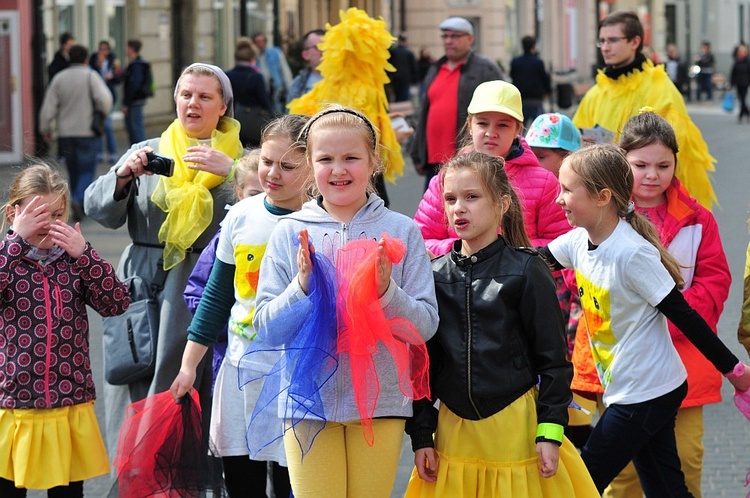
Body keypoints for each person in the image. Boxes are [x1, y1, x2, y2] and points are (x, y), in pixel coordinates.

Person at [245, 106, 438, 497]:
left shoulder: (403, 230)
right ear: (309, 166)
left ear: (374, 162)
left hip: (379, 405)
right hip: (306, 406)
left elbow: (425, 325)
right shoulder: (289, 232)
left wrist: (387, 292)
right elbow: (265, 327)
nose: (338, 170)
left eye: (351, 158)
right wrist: (301, 286)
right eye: (325, 159)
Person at [540, 143, 750, 495]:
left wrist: (735, 372)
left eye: (566, 190)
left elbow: (686, 317)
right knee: (665, 487)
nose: (558, 199)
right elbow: (532, 263)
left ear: (602, 196)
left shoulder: (632, 253)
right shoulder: (579, 241)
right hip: (632, 389)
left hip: (648, 393)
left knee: (581, 484)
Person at [404, 152, 598, 498]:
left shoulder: (527, 270)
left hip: (515, 431)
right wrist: (421, 436)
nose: (458, 208)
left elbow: (553, 360)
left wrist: (550, 432)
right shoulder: (433, 275)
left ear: (502, 204)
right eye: (450, 199)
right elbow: (421, 366)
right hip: (454, 433)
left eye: (472, 197)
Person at [84, 63, 243, 468]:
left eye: (205, 96)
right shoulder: (150, 149)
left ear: (223, 106)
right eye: (186, 94)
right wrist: (123, 175)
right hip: (143, 285)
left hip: (205, 287)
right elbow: (99, 211)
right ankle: (135, 474)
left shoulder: (244, 159)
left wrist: (236, 175)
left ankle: (184, 481)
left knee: (192, 390)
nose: (193, 103)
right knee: (134, 379)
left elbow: (276, 212)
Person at [595, 111, 731, 498]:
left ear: (676, 163)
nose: (652, 175)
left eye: (663, 165)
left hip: (684, 365)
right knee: (621, 476)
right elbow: (582, 276)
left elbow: (715, 281)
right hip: (626, 369)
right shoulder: (601, 216)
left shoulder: (698, 219)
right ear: (622, 163)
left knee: (686, 462)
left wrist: (669, 320)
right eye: (640, 165)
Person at [172, 115, 309, 498]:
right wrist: (188, 364)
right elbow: (216, 296)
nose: (272, 173)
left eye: (287, 165)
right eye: (266, 161)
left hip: (294, 376)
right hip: (240, 368)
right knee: (241, 479)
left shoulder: (320, 220)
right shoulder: (241, 217)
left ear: (313, 165)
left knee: (291, 482)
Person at [0, 164, 130, 497]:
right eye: (37, 215)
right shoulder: (8, 259)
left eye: (56, 215)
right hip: (15, 406)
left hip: (67, 402)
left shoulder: (72, 261)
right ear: (13, 214)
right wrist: (15, 243)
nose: (48, 225)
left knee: (68, 492)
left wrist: (85, 254)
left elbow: (116, 302)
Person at [573, 11, 717, 210]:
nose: (605, 47)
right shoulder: (596, 93)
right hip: (605, 201)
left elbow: (675, 152)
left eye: (613, 40)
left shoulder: (660, 87)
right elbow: (574, 143)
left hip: (650, 201)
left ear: (635, 42)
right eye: (602, 41)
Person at [414, 80, 570, 257]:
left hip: (522, 283)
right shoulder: (444, 180)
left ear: (517, 129)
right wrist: (465, 250)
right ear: (470, 125)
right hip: (456, 283)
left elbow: (564, 245)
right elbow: (420, 240)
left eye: (502, 125)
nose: (491, 133)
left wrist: (508, 254)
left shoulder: (544, 182)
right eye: (482, 123)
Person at [524, 113, 592, 448]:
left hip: (573, 316)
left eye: (542, 156)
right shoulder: (541, 190)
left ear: (569, 159)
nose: (533, 163)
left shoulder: (581, 207)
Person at [183, 148, 263, 397]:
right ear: (239, 194)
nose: (262, 201)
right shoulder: (228, 234)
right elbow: (200, 292)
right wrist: (230, 322)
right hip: (232, 350)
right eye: (254, 194)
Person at [410, 16, 502, 189]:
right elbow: (424, 113)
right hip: (434, 163)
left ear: (470, 39)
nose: (449, 41)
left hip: (469, 161)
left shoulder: (485, 69)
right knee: (432, 212)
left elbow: (502, 110)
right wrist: (417, 152)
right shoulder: (435, 68)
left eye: (455, 36)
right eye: (445, 36)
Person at [39, 44, 113, 223]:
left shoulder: (59, 78)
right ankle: (78, 199)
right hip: (87, 131)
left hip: (66, 134)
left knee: (73, 170)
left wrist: (45, 129)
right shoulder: (91, 76)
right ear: (86, 59)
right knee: (87, 169)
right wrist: (102, 113)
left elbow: (48, 107)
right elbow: (105, 99)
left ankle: (75, 200)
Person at [89, 40, 122, 163]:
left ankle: (112, 152)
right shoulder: (93, 60)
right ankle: (99, 152)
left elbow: (119, 78)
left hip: (108, 96)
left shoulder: (113, 60)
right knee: (98, 125)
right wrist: (98, 65)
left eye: (105, 49)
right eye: (100, 48)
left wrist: (113, 76)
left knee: (107, 125)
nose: (102, 51)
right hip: (95, 97)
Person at [510, 35, 551, 127]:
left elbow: (512, 76)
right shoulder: (538, 62)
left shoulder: (516, 61)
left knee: (519, 127)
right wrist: (547, 91)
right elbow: (545, 78)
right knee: (541, 126)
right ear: (533, 46)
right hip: (536, 100)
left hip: (521, 99)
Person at [252, 32, 293, 115]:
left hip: (276, 90)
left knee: (277, 115)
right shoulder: (252, 57)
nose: (260, 44)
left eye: (262, 41)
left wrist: (289, 90)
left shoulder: (275, 53)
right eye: (257, 42)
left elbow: (285, 71)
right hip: (261, 94)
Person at [122, 39, 151, 146]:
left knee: (135, 129)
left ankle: (141, 151)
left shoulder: (136, 65)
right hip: (137, 100)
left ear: (131, 49)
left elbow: (133, 85)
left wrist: (126, 103)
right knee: (135, 128)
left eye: (127, 47)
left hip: (134, 101)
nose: (125, 50)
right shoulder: (138, 63)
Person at [287, 29, 325, 105]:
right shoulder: (297, 85)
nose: (323, 50)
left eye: (327, 46)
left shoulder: (347, 81)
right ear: (305, 55)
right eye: (318, 47)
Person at [388, 33, 418, 103]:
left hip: (395, 78)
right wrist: (415, 81)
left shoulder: (393, 51)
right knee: (405, 98)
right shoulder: (409, 53)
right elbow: (413, 67)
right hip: (406, 78)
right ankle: (404, 113)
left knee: (397, 97)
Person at [730, 43, 750, 123]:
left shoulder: (748, 62)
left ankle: (741, 115)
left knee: (742, 99)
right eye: (740, 51)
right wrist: (731, 83)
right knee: (740, 99)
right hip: (738, 83)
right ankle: (747, 113)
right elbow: (733, 73)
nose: (742, 53)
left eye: (743, 51)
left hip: (745, 83)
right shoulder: (737, 61)